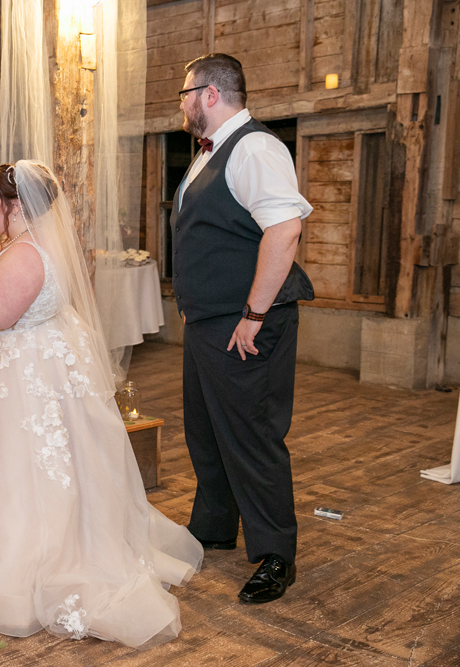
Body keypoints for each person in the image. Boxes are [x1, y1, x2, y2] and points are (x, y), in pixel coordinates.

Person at [0, 162, 203, 648]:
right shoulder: (17, 244)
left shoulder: (27, 253)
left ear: (16, 204)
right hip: (5, 374)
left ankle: (20, 568)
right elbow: (0, 291)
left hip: (20, 381)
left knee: (18, 469)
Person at [172, 54, 313, 604]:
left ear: (210, 94)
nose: (182, 105)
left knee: (252, 436)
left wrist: (254, 314)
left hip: (246, 322)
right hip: (210, 321)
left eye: (185, 94)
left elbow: (284, 229)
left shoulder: (254, 147)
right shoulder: (210, 151)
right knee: (207, 431)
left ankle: (276, 555)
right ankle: (213, 526)